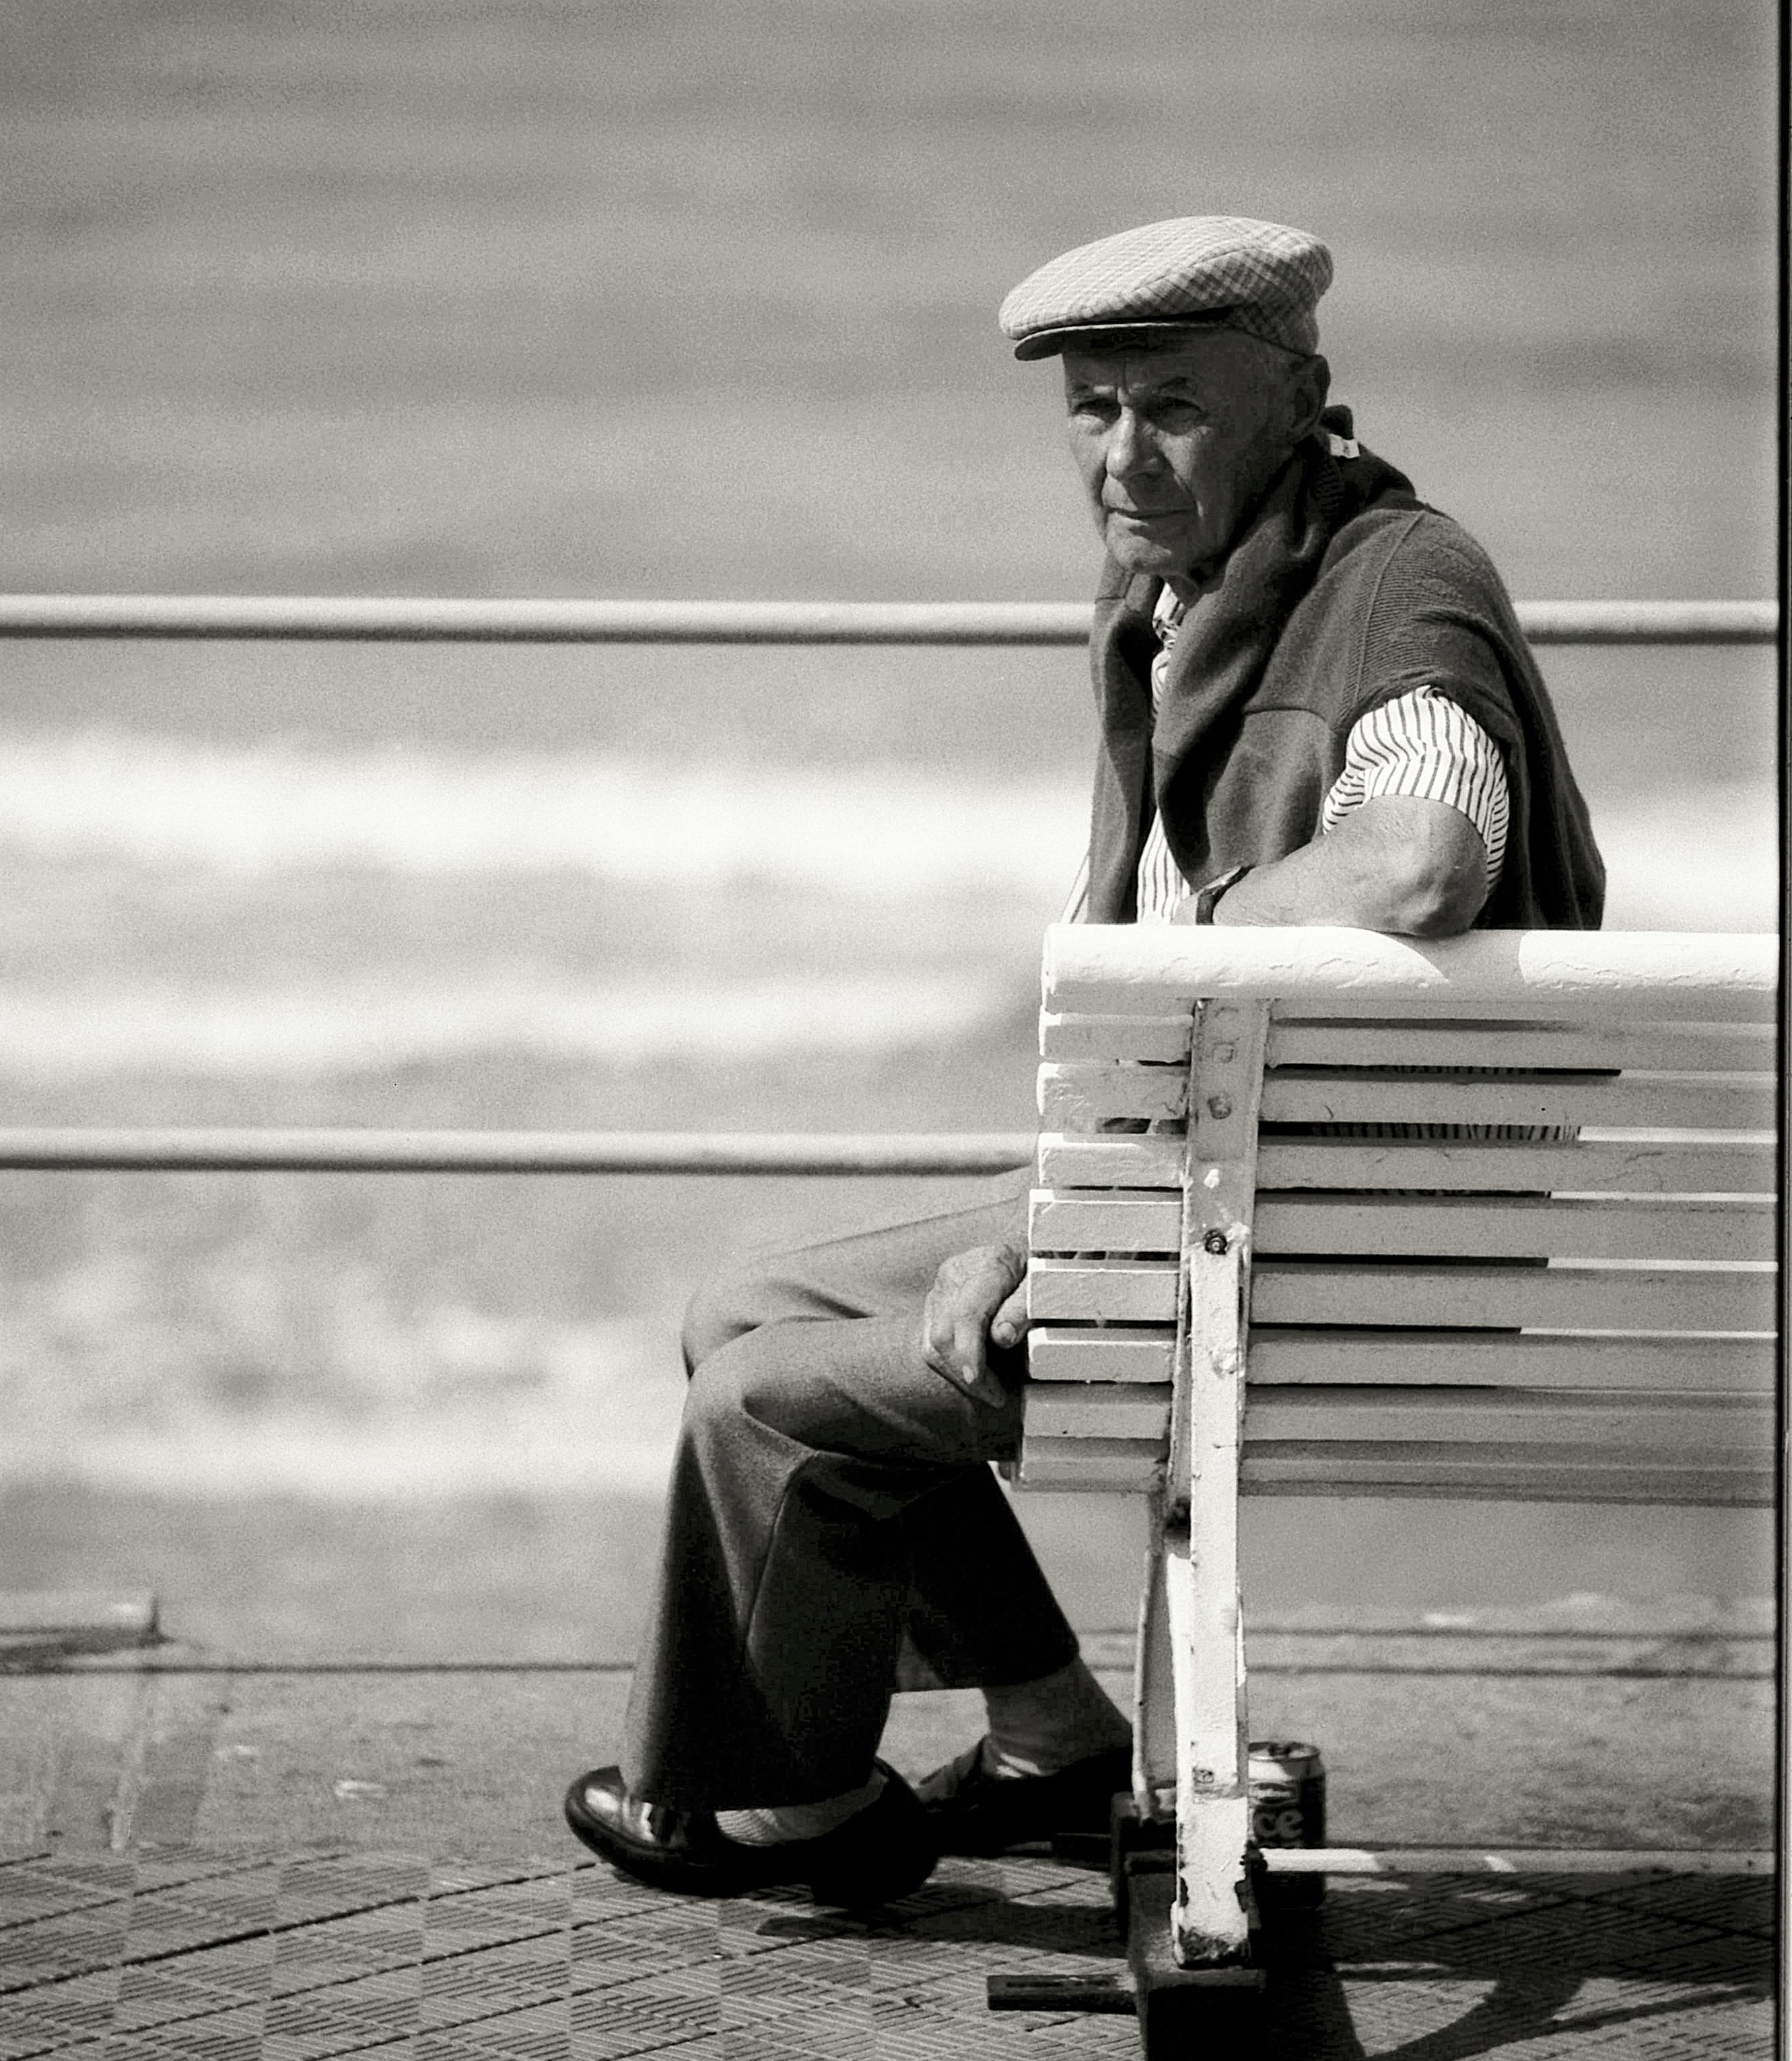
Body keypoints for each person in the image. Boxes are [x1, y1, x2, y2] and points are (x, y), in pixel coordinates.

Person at [565, 213, 1606, 1907]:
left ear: (1300, 398)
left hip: (1339, 1265)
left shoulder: (1395, 586)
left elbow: (1418, 861)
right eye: (1092, 405)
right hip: (1251, 1202)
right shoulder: (1179, 599)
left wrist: (1086, 1229)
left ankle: (790, 1801)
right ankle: (1051, 1729)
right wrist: (1076, 1207)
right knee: (737, 1307)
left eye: (1172, 404)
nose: (1123, 453)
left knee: (762, 1407)